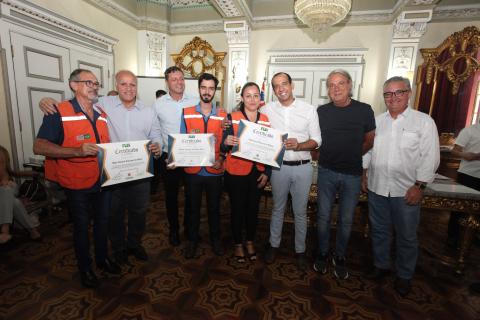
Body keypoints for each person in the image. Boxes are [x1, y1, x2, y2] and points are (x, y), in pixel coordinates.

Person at [39, 70, 162, 265]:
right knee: (115, 214)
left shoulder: (148, 111)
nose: (128, 88)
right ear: (116, 86)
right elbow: (76, 101)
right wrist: (46, 100)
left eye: (132, 85)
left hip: (140, 172)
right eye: (123, 84)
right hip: (113, 172)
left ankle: (134, 244)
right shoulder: (102, 104)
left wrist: (157, 146)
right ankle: (119, 248)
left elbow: (156, 135)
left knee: (139, 212)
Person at [33, 69, 120, 288]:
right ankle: (85, 269)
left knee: (103, 223)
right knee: (81, 227)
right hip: (76, 183)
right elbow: (39, 146)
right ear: (73, 85)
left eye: (96, 83)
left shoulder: (101, 114)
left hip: (102, 180)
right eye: (88, 82)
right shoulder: (58, 112)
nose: (94, 86)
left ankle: (102, 259)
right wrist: (76, 151)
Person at [362, 76, 440, 297]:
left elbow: (430, 157)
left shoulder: (423, 122)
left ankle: (404, 276)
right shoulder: (377, 121)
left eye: (399, 92)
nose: (393, 97)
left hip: (406, 190)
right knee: (379, 231)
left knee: (406, 236)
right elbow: (368, 150)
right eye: (388, 93)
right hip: (377, 187)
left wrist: (419, 186)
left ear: (409, 93)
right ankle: (381, 266)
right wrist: (365, 173)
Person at [314, 69, 376, 280]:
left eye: (340, 83)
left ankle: (339, 255)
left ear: (350, 85)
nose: (336, 88)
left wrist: (351, 154)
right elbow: (315, 140)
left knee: (346, 220)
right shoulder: (321, 111)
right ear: (328, 90)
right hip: (326, 172)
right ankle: (322, 253)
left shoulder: (365, 110)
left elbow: (370, 139)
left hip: (352, 174)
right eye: (331, 85)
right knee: (322, 217)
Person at [262, 72, 321, 271]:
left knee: (300, 211)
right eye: (276, 86)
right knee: (277, 209)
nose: (281, 89)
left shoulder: (308, 110)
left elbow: (317, 141)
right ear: (273, 89)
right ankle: (273, 245)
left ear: (292, 85)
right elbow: (251, 119)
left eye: (284, 84)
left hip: (303, 167)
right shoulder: (267, 109)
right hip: (279, 168)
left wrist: (300, 145)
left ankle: (300, 250)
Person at [222, 82, 270, 263]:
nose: (252, 99)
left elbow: (270, 150)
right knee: (238, 209)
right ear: (242, 98)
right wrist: (226, 141)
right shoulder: (231, 117)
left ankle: (250, 241)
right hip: (236, 172)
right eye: (248, 95)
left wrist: (268, 174)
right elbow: (222, 146)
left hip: (257, 172)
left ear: (260, 98)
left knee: (253, 210)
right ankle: (237, 244)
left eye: (256, 95)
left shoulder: (265, 119)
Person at [181, 72, 226, 259]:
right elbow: (182, 140)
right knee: (192, 208)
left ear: (215, 90)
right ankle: (192, 241)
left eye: (211, 88)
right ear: (199, 89)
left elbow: (227, 143)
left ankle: (216, 240)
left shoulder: (224, 115)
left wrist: (222, 157)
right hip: (193, 171)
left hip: (215, 171)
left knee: (214, 208)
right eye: (203, 87)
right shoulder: (186, 112)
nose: (207, 91)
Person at [154, 66, 198, 246]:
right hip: (168, 156)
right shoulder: (158, 104)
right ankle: (174, 230)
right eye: (174, 79)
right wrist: (157, 145)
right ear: (167, 82)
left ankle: (189, 228)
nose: (179, 82)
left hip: (191, 154)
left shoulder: (195, 101)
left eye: (181, 79)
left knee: (191, 195)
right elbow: (154, 129)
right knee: (171, 197)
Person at [447, 122, 480, 247]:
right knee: (459, 207)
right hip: (468, 174)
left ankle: (474, 234)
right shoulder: (469, 131)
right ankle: (453, 235)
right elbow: (455, 151)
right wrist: (466, 155)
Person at [0, 146, 41, 243]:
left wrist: (5, 182)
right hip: (5, 194)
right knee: (15, 202)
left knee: (7, 188)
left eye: (2, 161)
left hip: (9, 190)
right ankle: (32, 231)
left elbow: (13, 174)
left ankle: (4, 230)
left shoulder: (6, 169)